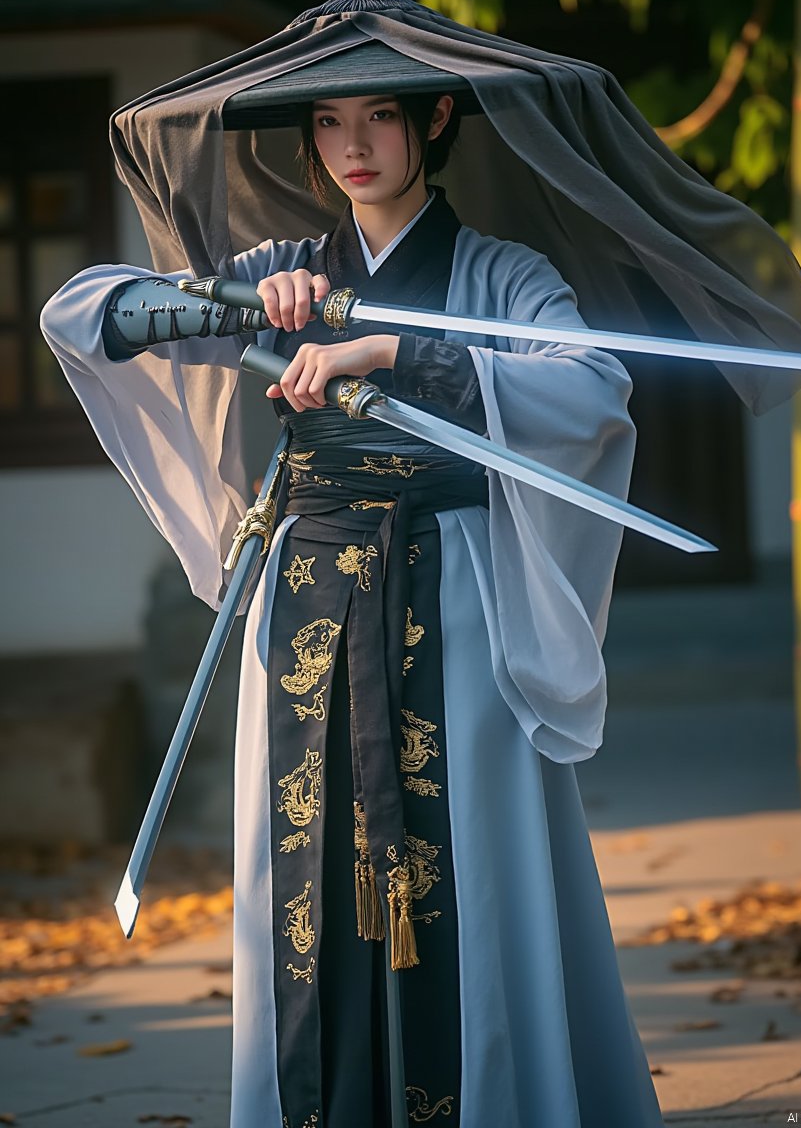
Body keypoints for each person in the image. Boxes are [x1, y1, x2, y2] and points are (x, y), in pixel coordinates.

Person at [41, 81, 665, 1127]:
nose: (352, 144)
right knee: (306, 876)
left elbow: (595, 388)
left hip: (453, 587)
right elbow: (82, 313)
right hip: (306, 602)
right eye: (327, 121)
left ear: (432, 121)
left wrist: (393, 352)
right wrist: (234, 304)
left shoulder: (500, 274)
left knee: (469, 867)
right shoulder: (281, 271)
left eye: (378, 115)